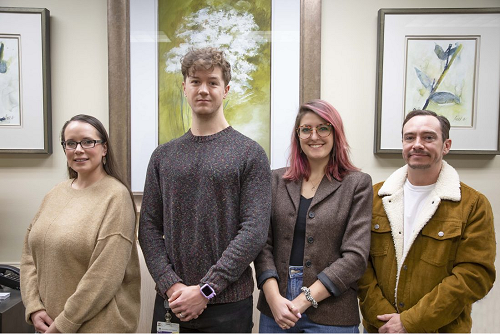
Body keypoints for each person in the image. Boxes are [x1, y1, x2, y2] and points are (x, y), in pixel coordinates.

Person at [138, 47, 271, 333]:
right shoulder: (163, 156)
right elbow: (148, 227)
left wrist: (206, 289)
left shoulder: (250, 153)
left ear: (226, 90)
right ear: (184, 87)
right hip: (172, 303)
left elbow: (254, 231)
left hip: (228, 305)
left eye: (212, 82)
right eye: (195, 81)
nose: (203, 89)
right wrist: (170, 285)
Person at [358, 109, 496, 333]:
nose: (417, 144)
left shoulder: (473, 205)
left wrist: (410, 322)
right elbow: (359, 264)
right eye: (409, 137)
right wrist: (385, 320)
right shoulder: (374, 198)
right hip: (380, 328)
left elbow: (475, 275)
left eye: (428, 137)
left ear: (446, 145)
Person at [254, 99, 373, 333]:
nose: (314, 135)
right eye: (306, 129)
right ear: (298, 136)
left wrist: (304, 300)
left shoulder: (357, 184)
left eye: (323, 128)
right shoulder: (274, 181)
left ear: (335, 133)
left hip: (332, 309)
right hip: (277, 307)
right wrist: (273, 298)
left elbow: (356, 256)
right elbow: (261, 244)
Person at [20, 114, 141, 333]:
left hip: (95, 326)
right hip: (48, 324)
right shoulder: (55, 193)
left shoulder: (116, 197)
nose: (78, 149)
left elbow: (104, 276)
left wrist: (65, 323)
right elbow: (29, 254)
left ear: (104, 148)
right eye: (71, 143)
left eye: (88, 142)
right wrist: (34, 307)